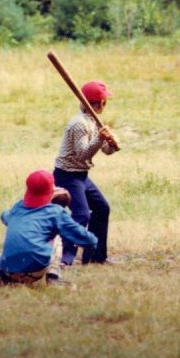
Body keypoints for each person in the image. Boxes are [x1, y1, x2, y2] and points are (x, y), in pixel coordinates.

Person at [0, 170, 98, 286]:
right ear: (51, 191)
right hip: (34, 272)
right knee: (56, 237)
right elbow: (80, 235)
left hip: (8, 270)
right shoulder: (55, 212)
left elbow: (4, 217)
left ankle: (2, 277)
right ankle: (54, 277)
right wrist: (93, 242)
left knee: (18, 233)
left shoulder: (18, 207)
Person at [53, 81, 119, 265]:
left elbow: (105, 150)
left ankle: (96, 257)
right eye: (104, 101)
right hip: (67, 175)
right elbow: (83, 154)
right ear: (100, 103)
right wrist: (100, 138)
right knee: (81, 215)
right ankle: (65, 259)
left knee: (102, 208)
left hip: (81, 176)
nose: (105, 104)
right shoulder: (78, 124)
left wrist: (111, 144)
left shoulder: (93, 122)